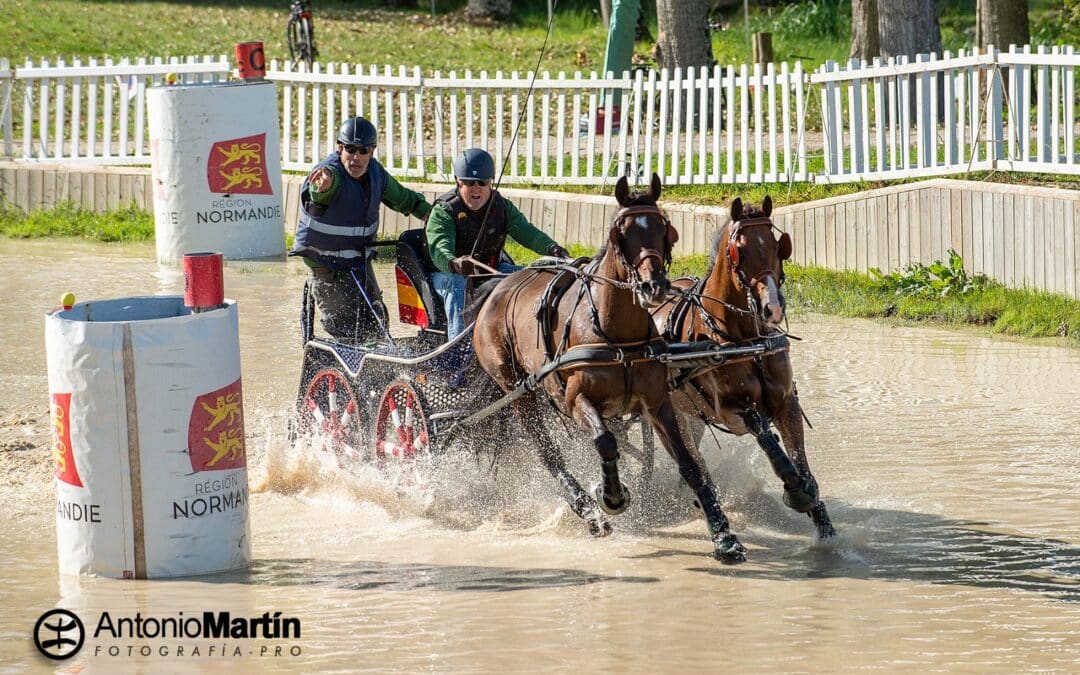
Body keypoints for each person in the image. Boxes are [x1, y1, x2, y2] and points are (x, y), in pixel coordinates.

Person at [291, 116, 431, 341]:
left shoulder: (377, 175)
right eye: (350, 149)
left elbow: (404, 199)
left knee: (377, 325)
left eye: (363, 150)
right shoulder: (329, 174)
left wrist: (430, 215)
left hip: (359, 265)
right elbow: (318, 194)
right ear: (339, 148)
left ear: (372, 152)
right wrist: (322, 188)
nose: (356, 157)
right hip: (328, 269)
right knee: (348, 332)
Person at [426, 148, 570, 339]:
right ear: (458, 182)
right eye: (469, 182)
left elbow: (527, 232)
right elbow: (439, 248)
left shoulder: (501, 207)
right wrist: (453, 263)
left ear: (491, 183)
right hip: (446, 274)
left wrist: (552, 248)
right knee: (457, 284)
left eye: (482, 182)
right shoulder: (444, 211)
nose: (476, 188)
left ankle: (526, 338)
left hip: (490, 268)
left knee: (528, 275)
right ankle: (459, 352)